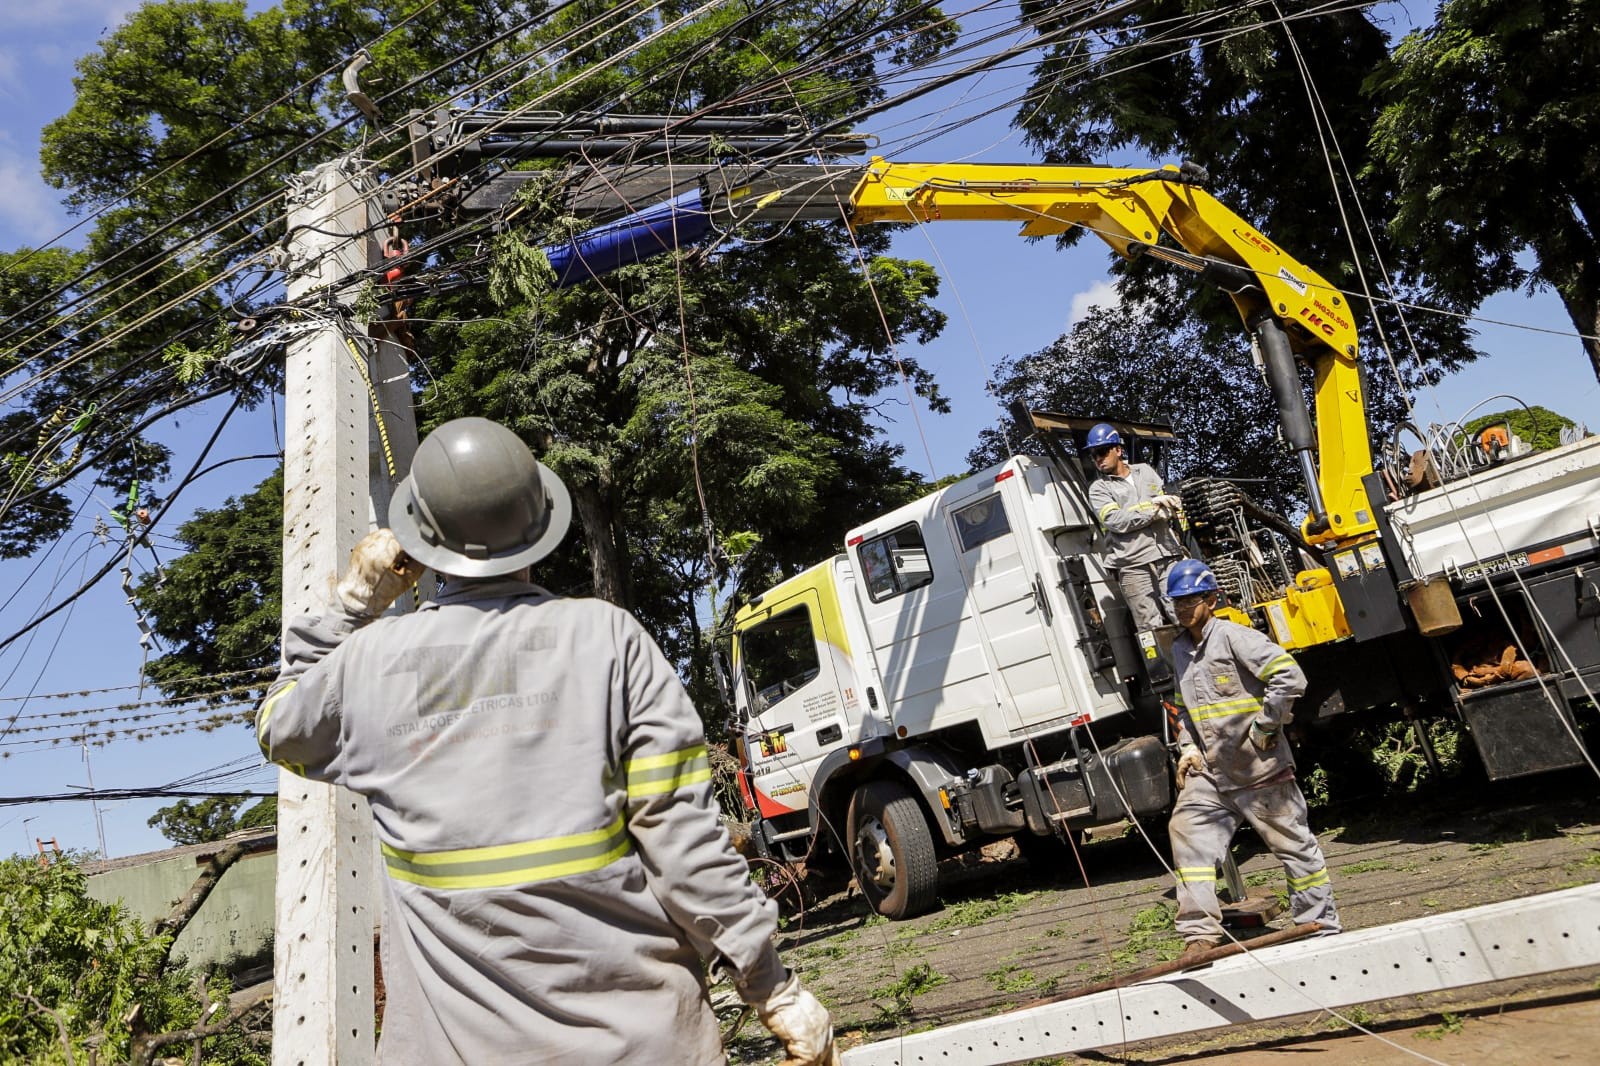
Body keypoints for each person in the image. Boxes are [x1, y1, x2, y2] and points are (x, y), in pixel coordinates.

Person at [256, 417, 836, 1065]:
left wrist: (354, 603)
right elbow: (683, 841)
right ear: (538, 527)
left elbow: (279, 727)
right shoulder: (609, 640)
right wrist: (771, 987)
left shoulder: (369, 665)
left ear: (420, 543)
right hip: (642, 1046)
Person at [1162, 559, 1341, 963]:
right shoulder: (1179, 650)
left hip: (1258, 767)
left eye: (1190, 600)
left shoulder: (1234, 637)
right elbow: (1183, 706)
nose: (1183, 608)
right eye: (1177, 602)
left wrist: (1267, 724)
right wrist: (1187, 746)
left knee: (1294, 846)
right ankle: (1199, 934)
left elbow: (1289, 675)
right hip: (1211, 771)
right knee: (1187, 834)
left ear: (1211, 600)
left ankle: (1319, 924)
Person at [1082, 422, 1186, 634]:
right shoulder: (1099, 489)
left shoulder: (1145, 472)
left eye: (1102, 452)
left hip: (1167, 556)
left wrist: (1169, 506)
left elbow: (1164, 500)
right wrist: (1153, 511)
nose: (1098, 458)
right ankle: (1161, 658)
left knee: (1183, 612)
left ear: (1118, 450)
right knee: (1150, 626)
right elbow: (1116, 520)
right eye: (1094, 455)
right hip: (1133, 565)